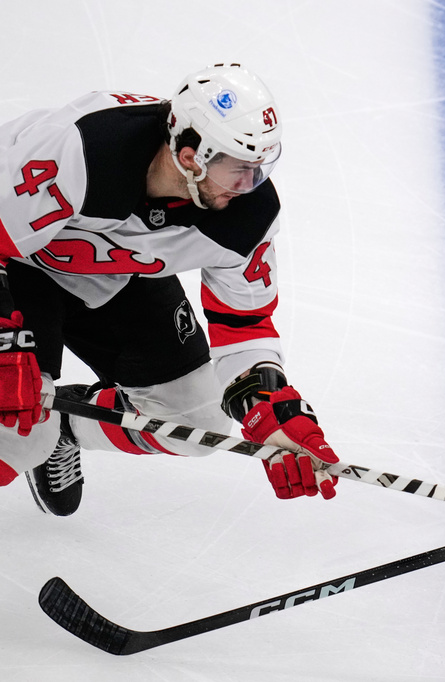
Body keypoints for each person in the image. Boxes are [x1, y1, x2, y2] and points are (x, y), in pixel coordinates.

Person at [0, 63, 340, 517]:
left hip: (106, 271)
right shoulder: (84, 149)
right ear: (189, 156)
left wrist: (270, 408)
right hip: (14, 261)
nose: (250, 186)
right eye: (238, 170)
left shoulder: (246, 214)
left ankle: (65, 425)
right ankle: (34, 437)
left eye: (259, 168)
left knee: (193, 420)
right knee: (15, 440)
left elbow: (244, 323)